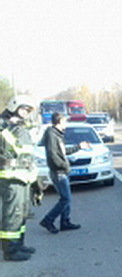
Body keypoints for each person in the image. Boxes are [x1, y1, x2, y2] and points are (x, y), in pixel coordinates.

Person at [0, 95, 40, 261]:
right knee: (12, 214)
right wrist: (13, 127)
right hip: (11, 177)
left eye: (28, 111)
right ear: (14, 106)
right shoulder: (4, 125)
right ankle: (10, 250)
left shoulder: (20, 126)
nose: (26, 113)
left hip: (23, 176)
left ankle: (19, 244)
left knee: (22, 213)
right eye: (24, 109)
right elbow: (8, 149)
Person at [39, 112, 90, 234]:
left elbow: (62, 152)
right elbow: (53, 155)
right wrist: (63, 166)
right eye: (65, 121)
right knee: (65, 199)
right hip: (58, 172)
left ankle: (65, 222)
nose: (66, 123)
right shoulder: (51, 134)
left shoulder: (58, 134)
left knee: (66, 198)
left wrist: (79, 147)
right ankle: (48, 220)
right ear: (59, 121)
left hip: (62, 171)